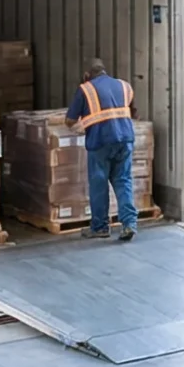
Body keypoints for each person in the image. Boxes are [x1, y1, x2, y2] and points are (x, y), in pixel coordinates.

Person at [67, 57, 137, 242]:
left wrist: (80, 125)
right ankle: (129, 224)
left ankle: (100, 227)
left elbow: (70, 120)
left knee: (99, 184)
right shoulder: (124, 86)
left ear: (86, 75)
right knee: (123, 181)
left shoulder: (86, 89)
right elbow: (134, 112)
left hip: (101, 142)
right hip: (125, 139)